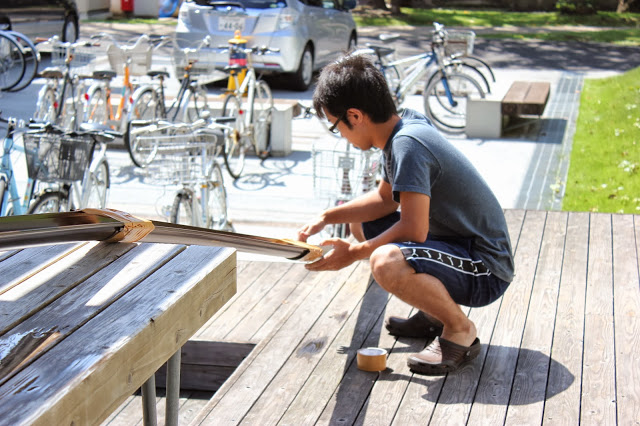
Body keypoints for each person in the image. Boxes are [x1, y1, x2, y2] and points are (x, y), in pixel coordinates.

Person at [297, 55, 515, 375]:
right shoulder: (403, 127)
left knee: (384, 262)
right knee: (362, 220)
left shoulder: (408, 146)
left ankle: (458, 329)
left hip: (485, 269)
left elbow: (413, 228)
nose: (340, 135)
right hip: (459, 246)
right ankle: (435, 311)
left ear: (354, 116)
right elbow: (386, 200)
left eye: (335, 126)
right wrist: (328, 216)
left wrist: (354, 253)